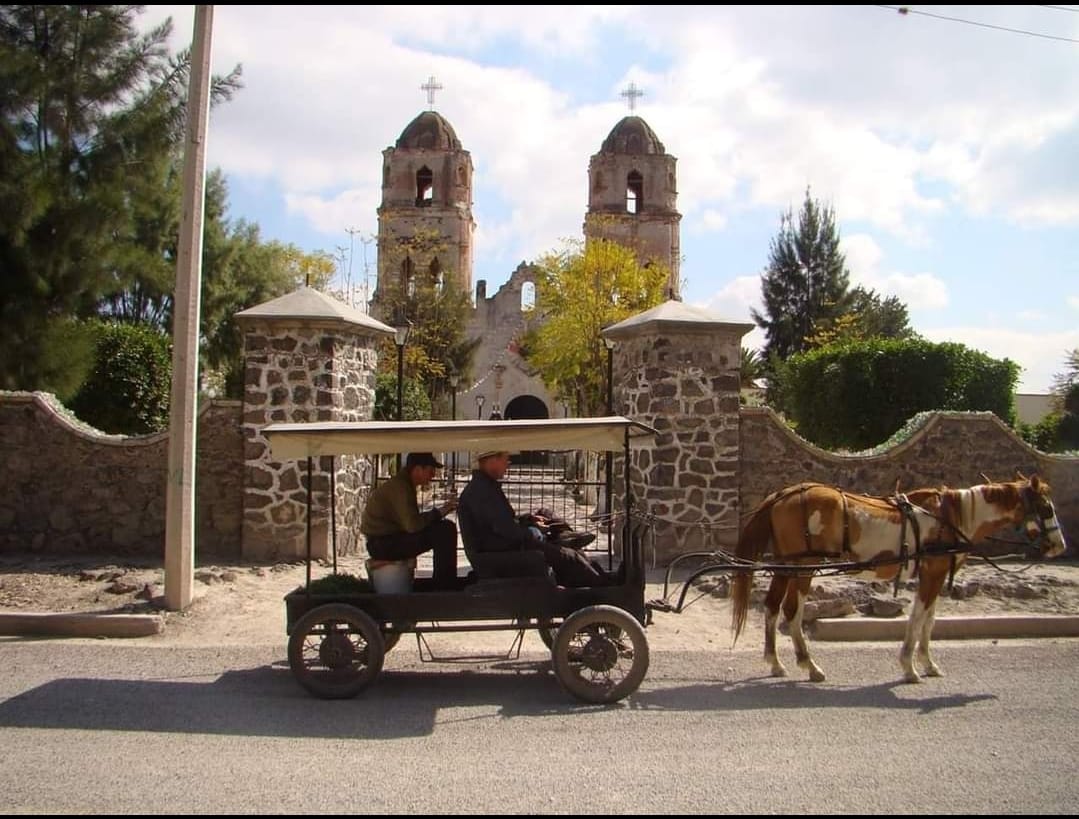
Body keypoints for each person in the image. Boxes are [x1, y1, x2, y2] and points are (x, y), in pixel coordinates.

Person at [457, 450, 616, 587]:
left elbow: (502, 521)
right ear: (492, 461)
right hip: (498, 556)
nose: (508, 463)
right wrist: (532, 532)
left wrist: (529, 520)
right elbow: (505, 529)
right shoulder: (481, 492)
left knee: (545, 513)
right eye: (506, 459)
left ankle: (567, 537)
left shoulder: (485, 487)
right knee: (570, 558)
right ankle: (604, 586)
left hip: (502, 547)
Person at [360, 452, 458, 589]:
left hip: (385, 540)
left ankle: (443, 582)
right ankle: (445, 586)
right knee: (444, 531)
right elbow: (413, 525)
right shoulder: (401, 487)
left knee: (442, 528)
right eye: (430, 471)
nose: (433, 476)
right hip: (383, 544)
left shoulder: (403, 484)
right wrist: (439, 512)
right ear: (418, 469)